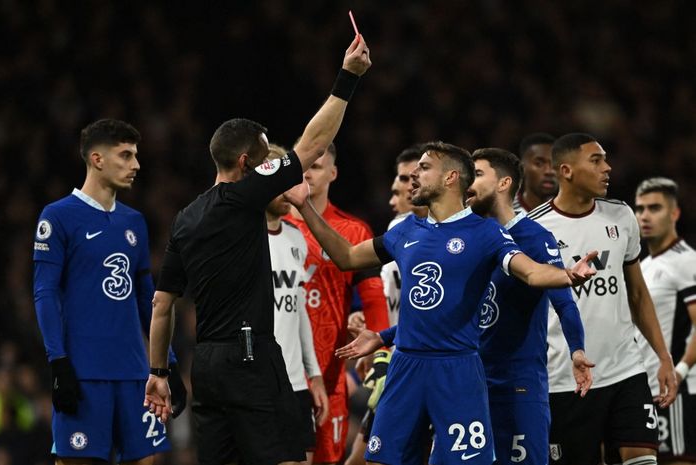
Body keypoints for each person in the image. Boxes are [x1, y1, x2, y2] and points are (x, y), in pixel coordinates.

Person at [288, 141, 597, 465]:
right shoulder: (406, 230)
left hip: (457, 370)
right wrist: (305, 206)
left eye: (423, 168)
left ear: (451, 177)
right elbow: (347, 256)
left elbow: (532, 273)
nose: (413, 178)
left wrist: (567, 275)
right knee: (379, 461)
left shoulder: (486, 233)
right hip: (405, 367)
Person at [143, 35, 372, 465]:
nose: (274, 167)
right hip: (251, 355)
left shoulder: (185, 219)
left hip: (206, 363)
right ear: (249, 163)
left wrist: (158, 373)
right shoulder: (245, 197)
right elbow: (312, 144)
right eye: (267, 159)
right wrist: (348, 78)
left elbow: (161, 305)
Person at [32, 119, 186, 464]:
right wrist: (58, 365)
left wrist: (168, 364)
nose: (136, 165)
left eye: (135, 155)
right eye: (126, 155)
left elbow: (149, 299)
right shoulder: (57, 217)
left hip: (136, 375)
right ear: (98, 159)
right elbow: (44, 293)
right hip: (85, 374)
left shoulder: (134, 222)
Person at [527, 133, 678, 465]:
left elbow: (637, 293)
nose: (607, 168)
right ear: (566, 171)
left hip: (626, 371)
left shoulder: (621, 216)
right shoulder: (532, 228)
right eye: (595, 161)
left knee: (643, 459)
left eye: (605, 159)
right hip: (564, 379)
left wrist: (663, 357)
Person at [467, 148, 594, 465]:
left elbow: (564, 303)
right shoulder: (471, 239)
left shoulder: (534, 237)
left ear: (503, 183)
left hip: (517, 387)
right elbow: (451, 314)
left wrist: (577, 350)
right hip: (469, 384)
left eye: (478, 174)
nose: (468, 182)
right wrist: (387, 336)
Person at [285, 142, 390, 465]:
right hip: (277, 373)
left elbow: (373, 302)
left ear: (333, 173)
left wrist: (380, 356)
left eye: (315, 167)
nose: (306, 173)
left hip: (329, 377)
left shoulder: (353, 231)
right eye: (301, 165)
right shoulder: (267, 226)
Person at [344, 144, 429, 465]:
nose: (399, 195)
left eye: (410, 179)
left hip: (422, 365)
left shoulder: (441, 236)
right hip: (395, 362)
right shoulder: (398, 231)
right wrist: (368, 325)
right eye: (399, 183)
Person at [267, 143, 330, 465]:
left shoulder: (295, 239)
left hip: (295, 384)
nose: (287, 188)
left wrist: (314, 375)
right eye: (278, 179)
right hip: (255, 384)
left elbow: (299, 308)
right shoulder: (240, 239)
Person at [634, 177, 696, 464]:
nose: (645, 216)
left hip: (682, 390)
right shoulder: (643, 266)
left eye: (654, 208)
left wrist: (681, 371)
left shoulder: (687, 262)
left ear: (675, 213)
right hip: (651, 389)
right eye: (640, 208)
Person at [513, 133, 557, 213]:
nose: (549, 171)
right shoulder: (503, 215)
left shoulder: (572, 212)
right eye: (539, 164)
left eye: (554, 164)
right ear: (522, 167)